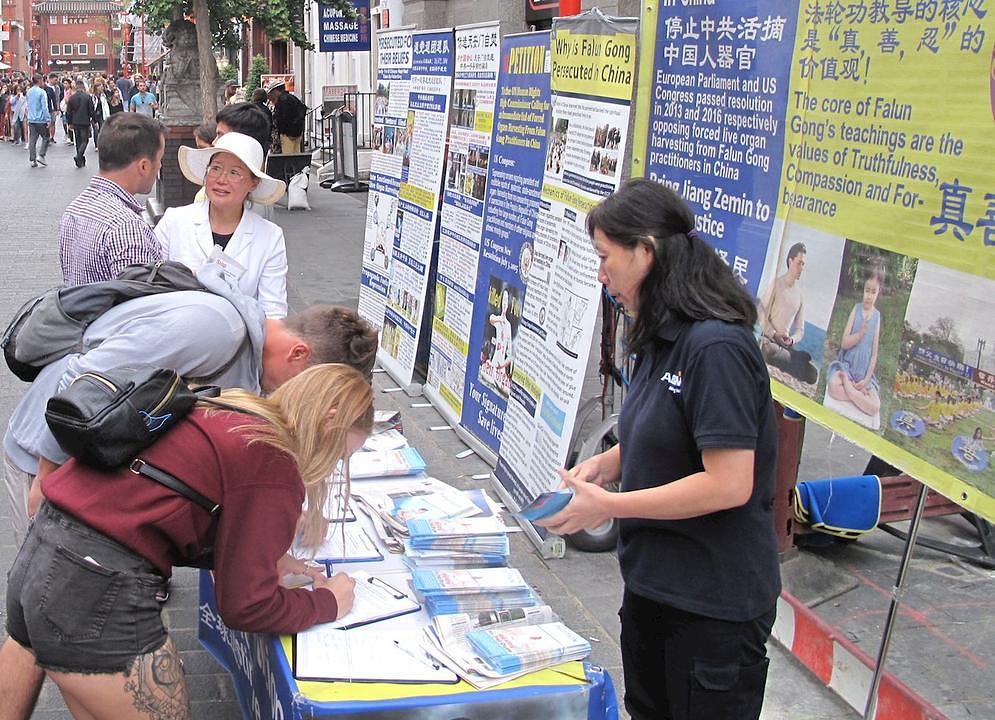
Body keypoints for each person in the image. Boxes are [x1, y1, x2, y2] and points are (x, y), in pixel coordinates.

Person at [0, 297, 377, 719]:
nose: (332, 466)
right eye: (340, 454)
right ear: (327, 421)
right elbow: (246, 607)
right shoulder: (273, 460)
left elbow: (174, 500)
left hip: (47, 555)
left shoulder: (234, 408)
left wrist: (263, 554)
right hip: (94, 589)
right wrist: (328, 601)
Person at [537, 179, 780, 720]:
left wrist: (612, 506)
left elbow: (729, 481)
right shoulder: (659, 331)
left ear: (646, 251)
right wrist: (604, 464)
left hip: (711, 603)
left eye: (606, 257)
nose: (601, 274)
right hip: (654, 586)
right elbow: (659, 426)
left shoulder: (715, 346)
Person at [155, 132, 289, 317]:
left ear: (254, 183)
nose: (221, 180)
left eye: (234, 173)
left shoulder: (270, 237)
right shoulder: (174, 221)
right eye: (216, 168)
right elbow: (152, 285)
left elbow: (273, 312)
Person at [60, 113, 166, 283]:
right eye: (159, 160)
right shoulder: (127, 228)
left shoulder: (75, 208)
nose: (160, 166)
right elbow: (141, 304)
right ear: (144, 166)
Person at [827, 257, 885, 418]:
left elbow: (874, 354)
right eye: (867, 290)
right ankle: (855, 394)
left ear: (878, 292)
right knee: (833, 387)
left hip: (863, 375)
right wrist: (860, 334)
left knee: (875, 407)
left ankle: (852, 394)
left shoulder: (877, 317)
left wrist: (866, 380)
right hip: (847, 369)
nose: (869, 296)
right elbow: (844, 343)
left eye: (873, 292)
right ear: (862, 289)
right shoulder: (856, 309)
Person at [757, 242, 818, 384]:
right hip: (768, 340)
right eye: (799, 263)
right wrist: (773, 333)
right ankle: (790, 359)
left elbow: (800, 330)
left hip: (785, 345)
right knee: (765, 347)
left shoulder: (800, 296)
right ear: (790, 261)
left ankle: (790, 358)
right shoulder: (776, 284)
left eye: (803, 264)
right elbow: (760, 312)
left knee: (812, 374)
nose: (801, 268)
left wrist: (792, 340)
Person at [267, 79, 307, 154]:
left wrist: (281, 129)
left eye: (271, 93)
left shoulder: (282, 100)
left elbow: (282, 117)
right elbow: (303, 109)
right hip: (297, 133)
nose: (271, 95)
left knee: (287, 156)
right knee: (295, 154)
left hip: (287, 134)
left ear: (276, 91)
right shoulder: (293, 98)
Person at [64, 79, 96, 168]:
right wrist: (94, 119)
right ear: (83, 87)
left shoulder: (72, 98)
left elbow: (68, 112)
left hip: (75, 122)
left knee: (78, 141)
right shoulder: (87, 97)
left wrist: (69, 122)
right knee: (85, 140)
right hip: (85, 121)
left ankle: (80, 160)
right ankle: (79, 157)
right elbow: (91, 110)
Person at [25, 74, 50, 167]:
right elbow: (44, 107)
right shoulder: (42, 92)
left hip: (31, 119)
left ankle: (32, 159)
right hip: (41, 119)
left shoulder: (29, 92)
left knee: (32, 140)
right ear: (39, 80)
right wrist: (48, 119)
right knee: (46, 137)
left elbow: (28, 105)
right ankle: (41, 155)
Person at [89, 77, 110, 148]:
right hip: (94, 115)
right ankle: (96, 145)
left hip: (102, 114)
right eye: (100, 86)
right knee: (96, 129)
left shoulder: (104, 94)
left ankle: (102, 143)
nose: (102, 88)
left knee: (102, 129)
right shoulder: (93, 96)